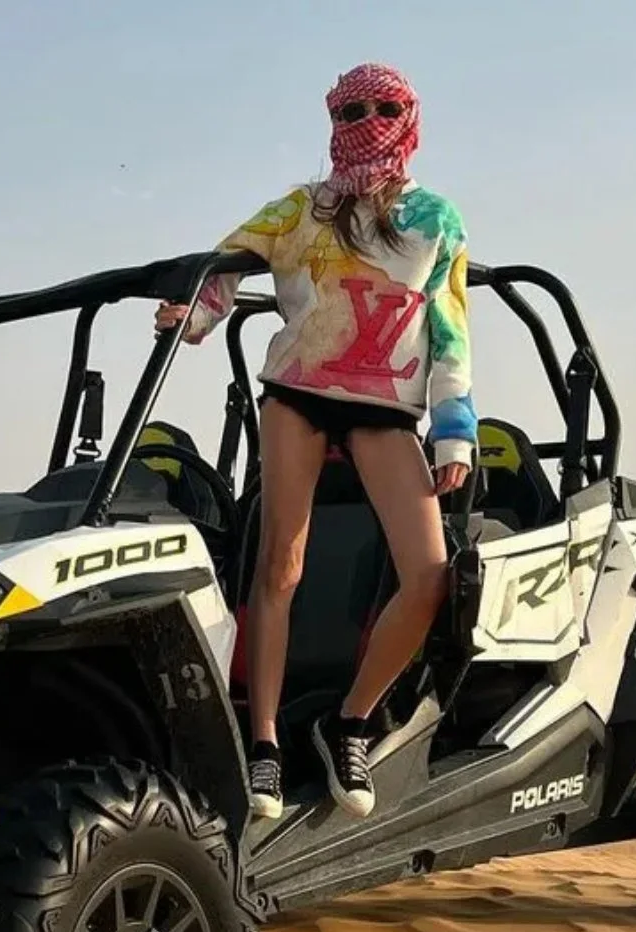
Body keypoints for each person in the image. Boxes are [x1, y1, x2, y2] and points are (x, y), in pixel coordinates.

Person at [155, 61, 476, 822]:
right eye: (348, 111)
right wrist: (194, 318)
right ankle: (263, 745)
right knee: (281, 566)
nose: (365, 123)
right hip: (298, 393)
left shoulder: (435, 218)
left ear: (408, 116)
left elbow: (449, 324)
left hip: (385, 406)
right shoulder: (303, 208)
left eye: (382, 109)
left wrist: (454, 431)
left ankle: (350, 722)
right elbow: (226, 263)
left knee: (429, 575)